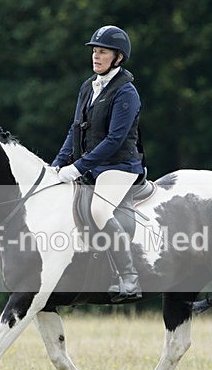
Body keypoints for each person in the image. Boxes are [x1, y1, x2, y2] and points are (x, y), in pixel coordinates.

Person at [52, 25, 144, 302]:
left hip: (120, 166)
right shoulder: (87, 87)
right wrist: (57, 164)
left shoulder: (126, 92)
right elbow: (75, 130)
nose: (96, 56)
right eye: (94, 51)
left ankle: (129, 278)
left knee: (100, 209)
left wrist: (78, 167)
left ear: (118, 58)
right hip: (93, 166)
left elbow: (115, 140)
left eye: (103, 52)